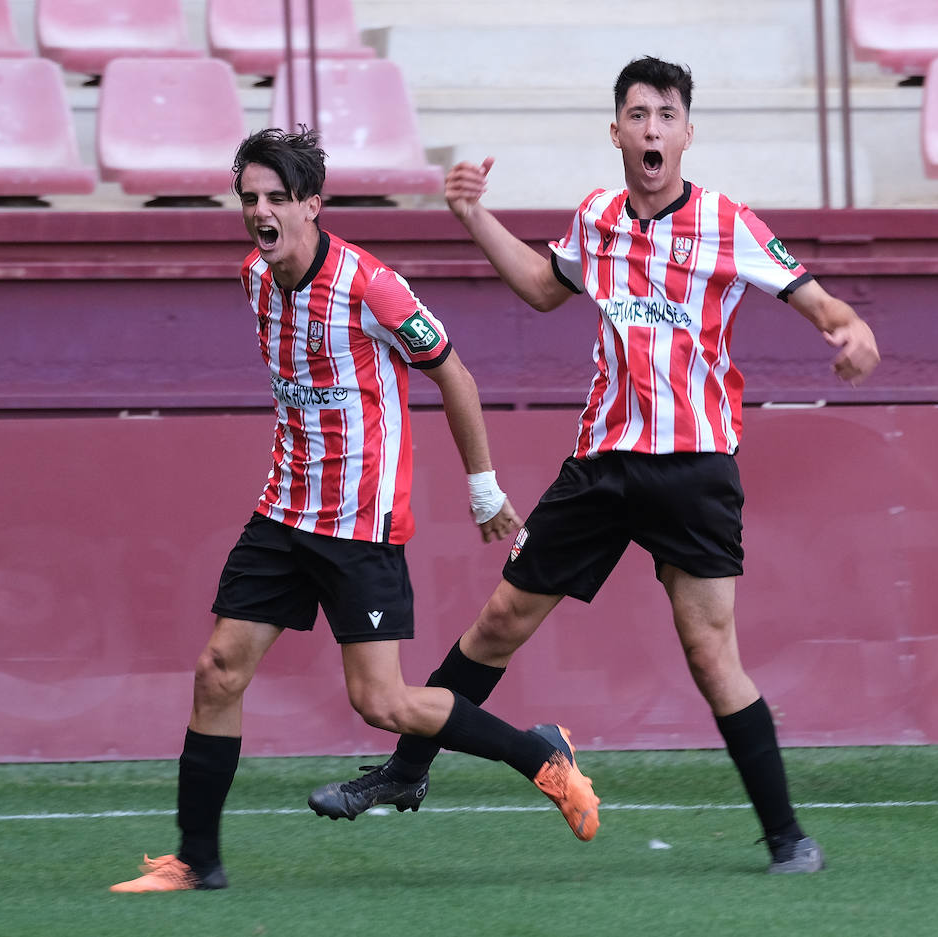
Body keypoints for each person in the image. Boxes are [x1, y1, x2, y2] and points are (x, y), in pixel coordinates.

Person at [308, 57, 880, 875]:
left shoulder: (728, 223)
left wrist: (849, 330)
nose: (652, 128)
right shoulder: (597, 220)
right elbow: (546, 288)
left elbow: (820, 301)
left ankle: (788, 835)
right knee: (500, 621)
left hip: (694, 472)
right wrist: (473, 216)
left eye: (666, 115)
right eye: (637, 115)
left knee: (712, 656)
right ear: (616, 132)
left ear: (687, 132)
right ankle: (405, 772)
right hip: (601, 467)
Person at [108, 127, 601, 894]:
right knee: (216, 671)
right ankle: (195, 860)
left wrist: (483, 488)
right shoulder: (254, 277)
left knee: (382, 702)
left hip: (358, 523)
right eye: (249, 199)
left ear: (313, 204)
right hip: (283, 511)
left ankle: (539, 754)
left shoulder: (371, 285)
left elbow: (456, 375)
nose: (260, 212)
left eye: (277, 197)